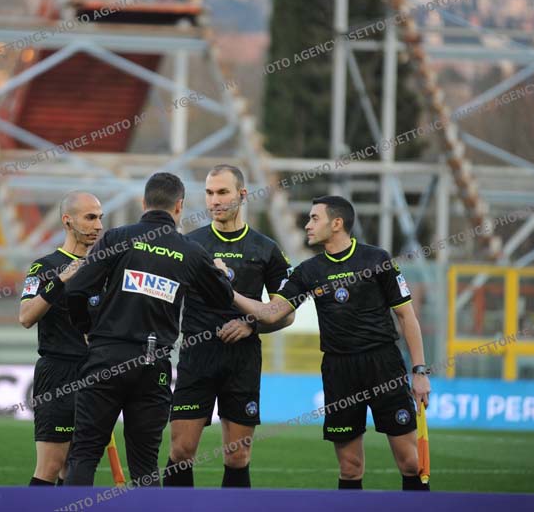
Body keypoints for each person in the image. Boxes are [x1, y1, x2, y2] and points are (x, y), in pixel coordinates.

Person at [232, 196, 432, 491]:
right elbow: (272, 313)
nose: (307, 225)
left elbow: (406, 316)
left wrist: (419, 371)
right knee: (350, 469)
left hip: (384, 366)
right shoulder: (308, 271)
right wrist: (229, 293)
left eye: (314, 218)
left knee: (411, 464)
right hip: (339, 371)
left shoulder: (377, 259)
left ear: (337, 223)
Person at [63, 172, 235, 487]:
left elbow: (75, 291)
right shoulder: (190, 251)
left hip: (106, 357)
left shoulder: (116, 238)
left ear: (144, 203)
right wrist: (220, 273)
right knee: (144, 466)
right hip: (153, 365)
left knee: (84, 454)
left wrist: (88, 328)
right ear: (179, 206)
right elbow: (222, 300)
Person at [163, 164, 294, 488]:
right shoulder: (190, 244)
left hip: (242, 360)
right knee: (181, 451)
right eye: (209, 193)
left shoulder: (265, 248)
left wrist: (253, 326)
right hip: (197, 357)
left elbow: (286, 314)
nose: (215, 200)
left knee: (238, 456)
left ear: (242, 195)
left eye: (223, 192)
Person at [18, 191, 104, 486]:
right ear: (68, 221)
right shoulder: (43, 267)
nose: (98, 225)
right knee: (51, 465)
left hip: (95, 374)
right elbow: (25, 317)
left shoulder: (103, 267)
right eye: (90, 217)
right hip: (57, 373)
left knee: (78, 469)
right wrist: (60, 281)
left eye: (100, 218)